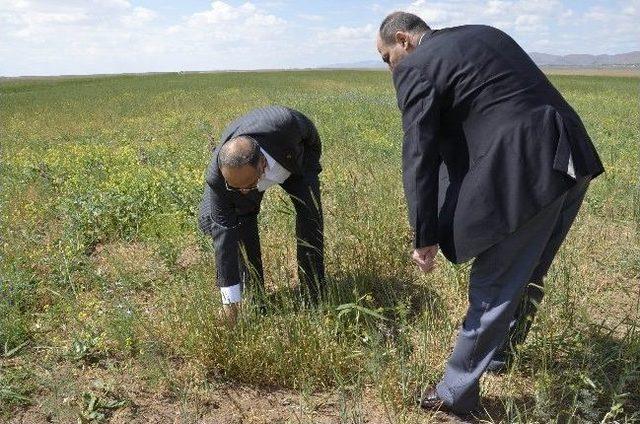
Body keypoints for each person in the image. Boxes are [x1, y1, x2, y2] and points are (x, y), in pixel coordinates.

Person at [376, 11, 604, 415]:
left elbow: (419, 154)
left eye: (386, 56)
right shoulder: (483, 34)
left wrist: (423, 233)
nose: (390, 66)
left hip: (526, 171)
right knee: (530, 270)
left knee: (495, 284)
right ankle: (499, 356)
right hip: (570, 158)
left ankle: (454, 394)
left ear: (403, 40)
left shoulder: (417, 66)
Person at [198, 105, 324, 324]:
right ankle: (256, 298)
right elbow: (224, 238)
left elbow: (311, 136)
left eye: (247, 185)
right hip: (242, 177)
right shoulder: (220, 180)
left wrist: (310, 169)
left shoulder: (284, 126)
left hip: (294, 164)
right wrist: (230, 303)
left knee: (310, 219)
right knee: (233, 225)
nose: (244, 192)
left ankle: (314, 292)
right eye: (235, 186)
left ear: (263, 165)